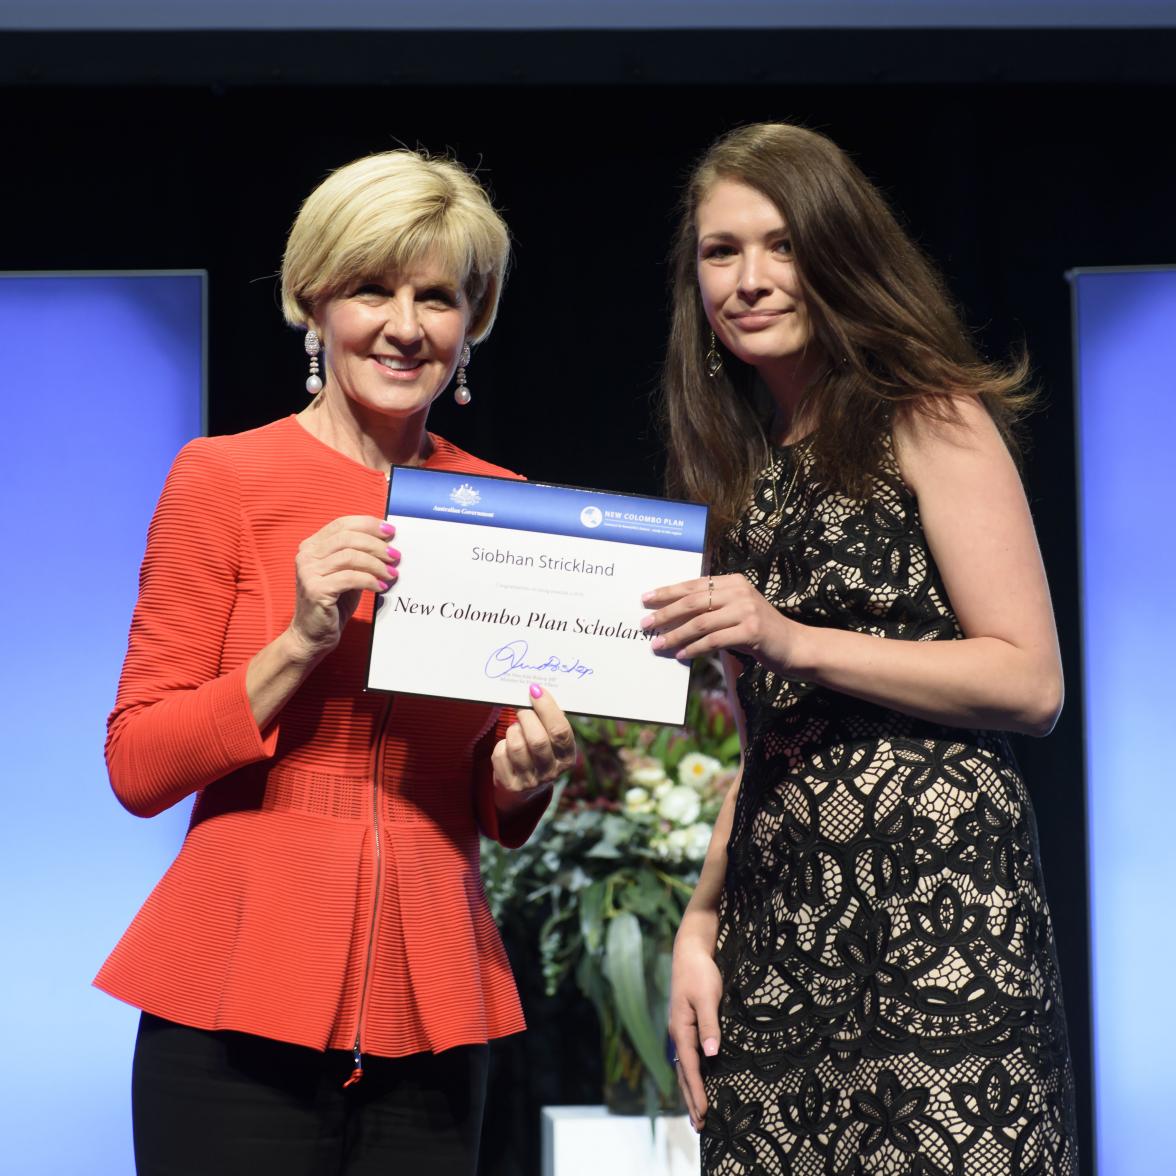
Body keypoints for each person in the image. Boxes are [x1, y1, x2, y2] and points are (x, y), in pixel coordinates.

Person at [95, 149, 575, 1176]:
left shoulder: (507, 502)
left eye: (438, 297)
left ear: (471, 321)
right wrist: (303, 639)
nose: (406, 325)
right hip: (233, 1000)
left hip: (434, 1000)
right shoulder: (222, 479)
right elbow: (137, 766)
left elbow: (488, 790)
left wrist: (522, 776)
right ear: (313, 301)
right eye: (372, 288)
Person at [646, 123, 1078, 1174]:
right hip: (782, 911)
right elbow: (760, 741)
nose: (749, 280)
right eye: (721, 252)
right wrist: (699, 927)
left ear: (840, 253)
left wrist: (794, 638)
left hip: (940, 904)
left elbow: (1029, 680)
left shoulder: (929, 415)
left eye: (782, 245)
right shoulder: (733, 470)